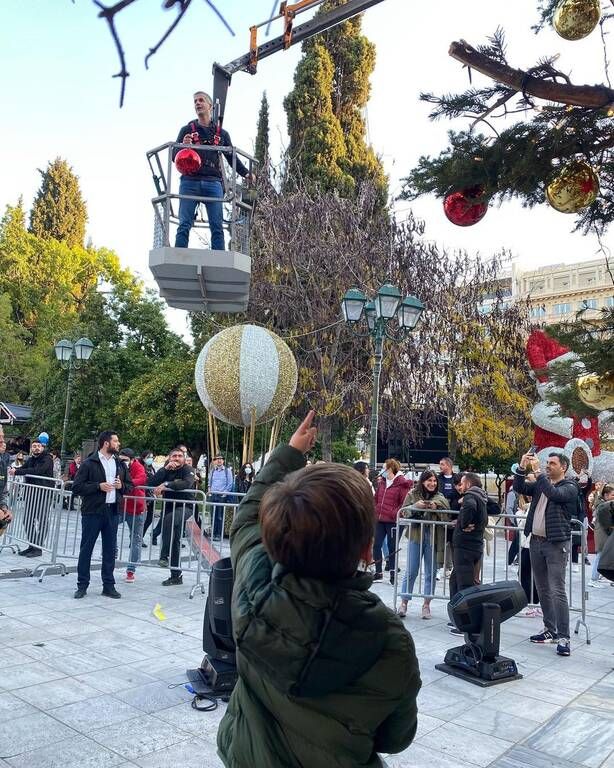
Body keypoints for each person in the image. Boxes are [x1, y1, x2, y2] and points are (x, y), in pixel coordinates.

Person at [217, 411, 421, 768]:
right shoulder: (390, 640)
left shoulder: (253, 592)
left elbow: (245, 521)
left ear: (271, 538)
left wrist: (289, 455)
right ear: (367, 549)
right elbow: (396, 737)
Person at [513, 451, 578, 657]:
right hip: (536, 542)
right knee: (542, 588)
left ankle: (564, 636)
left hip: (556, 544)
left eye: (552, 463)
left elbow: (554, 495)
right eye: (547, 463)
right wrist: (522, 467)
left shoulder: (569, 487)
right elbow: (520, 487)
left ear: (563, 468)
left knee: (557, 589)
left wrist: (539, 472)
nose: (548, 466)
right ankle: (550, 629)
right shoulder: (543, 485)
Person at [174, 91, 253, 250]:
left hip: (213, 183)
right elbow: (173, 156)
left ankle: (219, 256)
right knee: (184, 224)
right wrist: (183, 145)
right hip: (190, 181)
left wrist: (246, 173)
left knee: (217, 226)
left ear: (210, 106)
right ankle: (179, 254)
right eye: (195, 101)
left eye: (201, 100)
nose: (197, 103)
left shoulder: (221, 134)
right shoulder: (186, 131)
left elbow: (232, 158)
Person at [72, 430, 131, 599]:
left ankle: (108, 585)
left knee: (110, 549)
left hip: (112, 511)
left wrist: (121, 487)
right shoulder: (90, 463)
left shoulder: (119, 464)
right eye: (116, 441)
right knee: (86, 549)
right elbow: (77, 487)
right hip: (92, 512)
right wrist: (98, 486)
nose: (118, 444)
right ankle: (82, 585)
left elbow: (129, 485)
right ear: (106, 443)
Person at [397, 470, 450, 619]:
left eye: (434, 481)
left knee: (431, 572)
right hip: (416, 536)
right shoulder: (413, 494)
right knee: (411, 570)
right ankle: (404, 603)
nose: (432, 483)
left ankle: (426, 605)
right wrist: (416, 506)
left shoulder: (440, 497)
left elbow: (447, 513)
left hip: (434, 537)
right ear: (423, 481)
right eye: (429, 480)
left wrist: (436, 508)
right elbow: (403, 511)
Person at [449, 472, 488, 634]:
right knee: (454, 580)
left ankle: (467, 622)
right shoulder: (482, 496)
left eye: (462, 483)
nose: (460, 486)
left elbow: (470, 507)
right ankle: (456, 616)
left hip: (465, 546)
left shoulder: (470, 496)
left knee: (465, 585)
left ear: (469, 484)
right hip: (473, 545)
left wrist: (463, 522)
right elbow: (493, 508)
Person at [151, 447, 196, 586]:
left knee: (168, 519)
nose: (176, 458)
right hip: (169, 508)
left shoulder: (188, 469)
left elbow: (186, 483)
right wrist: (164, 470)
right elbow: (150, 483)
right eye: (174, 456)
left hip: (186, 507)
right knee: (175, 540)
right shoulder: (166, 470)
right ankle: (176, 576)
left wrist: (166, 484)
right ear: (169, 458)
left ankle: (164, 556)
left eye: (179, 456)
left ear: (184, 458)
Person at [10, 436, 55, 557]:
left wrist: (17, 472)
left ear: (42, 447)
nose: (36, 448)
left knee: (42, 520)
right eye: (34, 446)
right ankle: (32, 545)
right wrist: (14, 469)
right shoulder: (31, 459)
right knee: (27, 520)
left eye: (38, 446)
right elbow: (24, 468)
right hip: (31, 493)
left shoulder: (47, 459)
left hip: (43, 494)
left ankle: (38, 547)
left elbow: (38, 471)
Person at [373, 459, 411, 584]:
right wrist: (375, 509)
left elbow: (403, 503)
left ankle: (393, 573)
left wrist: (393, 513)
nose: (382, 471)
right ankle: (378, 572)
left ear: (389, 469)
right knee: (376, 545)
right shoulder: (382, 483)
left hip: (392, 521)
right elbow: (376, 498)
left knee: (392, 546)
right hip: (380, 519)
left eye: (384, 468)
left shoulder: (402, 484)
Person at [118, 448, 147, 583]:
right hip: (120, 506)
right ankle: (112, 552)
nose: (122, 462)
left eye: (125, 460)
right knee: (108, 529)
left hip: (137, 508)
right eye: (120, 459)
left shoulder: (138, 467)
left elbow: (141, 479)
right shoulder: (117, 465)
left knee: (135, 539)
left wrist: (124, 485)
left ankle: (131, 570)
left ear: (132, 459)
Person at [591, 484, 614, 588]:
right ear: (606, 495)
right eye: (612, 495)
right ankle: (593, 579)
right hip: (602, 533)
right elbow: (606, 523)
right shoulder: (603, 506)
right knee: (600, 555)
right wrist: (610, 531)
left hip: (603, 532)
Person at [208, 453, 234, 540]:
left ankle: (219, 534)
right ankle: (213, 533)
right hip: (213, 495)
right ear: (215, 461)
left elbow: (230, 483)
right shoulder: (212, 470)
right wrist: (209, 491)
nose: (219, 460)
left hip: (221, 496)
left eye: (221, 459)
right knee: (213, 515)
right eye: (217, 459)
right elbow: (209, 482)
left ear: (223, 460)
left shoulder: (227, 471)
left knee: (220, 516)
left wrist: (225, 494)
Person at [140, 450, 157, 543]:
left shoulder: (152, 468)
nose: (151, 459)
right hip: (144, 496)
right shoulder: (141, 468)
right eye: (148, 457)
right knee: (141, 519)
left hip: (151, 497)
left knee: (149, 519)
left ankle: (140, 536)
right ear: (143, 458)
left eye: (152, 457)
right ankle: (136, 538)